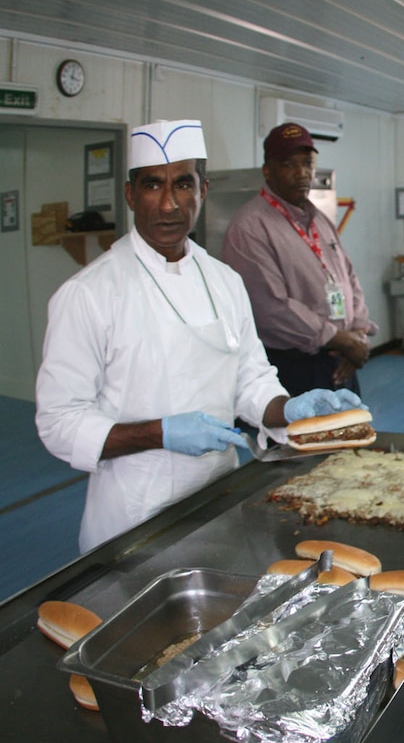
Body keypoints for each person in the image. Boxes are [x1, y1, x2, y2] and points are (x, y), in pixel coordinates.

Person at [35, 119, 363, 553]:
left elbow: (252, 380)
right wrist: (160, 434)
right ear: (131, 194)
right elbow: (58, 422)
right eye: (153, 185)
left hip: (219, 497)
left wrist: (289, 409)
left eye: (183, 185)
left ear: (202, 191)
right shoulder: (88, 294)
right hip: (135, 516)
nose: (169, 204)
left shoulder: (224, 281)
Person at [222, 122, 376, 396]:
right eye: (288, 164)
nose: (301, 173)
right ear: (267, 170)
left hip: (342, 362)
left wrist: (357, 334)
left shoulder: (319, 219)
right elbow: (270, 308)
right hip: (293, 368)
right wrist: (340, 339)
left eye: (307, 163)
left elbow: (349, 277)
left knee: (352, 436)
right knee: (298, 438)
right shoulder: (250, 227)